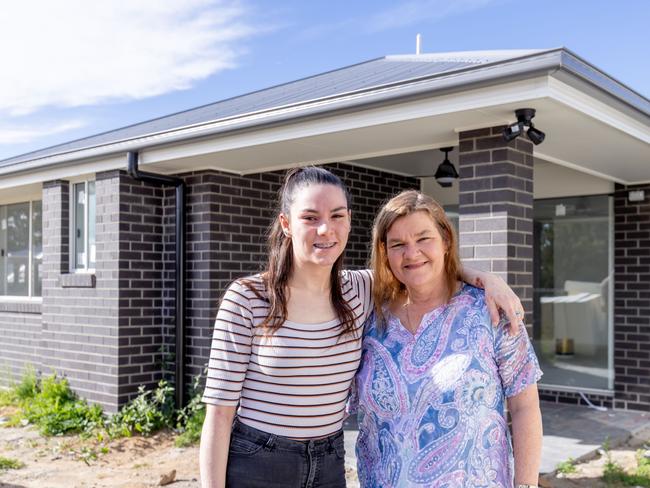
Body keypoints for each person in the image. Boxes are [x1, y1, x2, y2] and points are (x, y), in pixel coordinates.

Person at [199, 167, 525, 488]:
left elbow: (420, 266)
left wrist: (487, 280)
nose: (326, 229)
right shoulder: (248, 298)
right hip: (261, 462)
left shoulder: (361, 291)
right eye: (310, 217)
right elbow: (218, 415)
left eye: (337, 215)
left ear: (349, 221)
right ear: (286, 223)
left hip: (329, 462)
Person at [353, 190, 543, 488]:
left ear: (446, 240)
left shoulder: (489, 309)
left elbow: (525, 406)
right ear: (385, 253)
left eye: (423, 238)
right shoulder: (370, 318)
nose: (411, 253)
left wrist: (527, 485)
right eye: (398, 244)